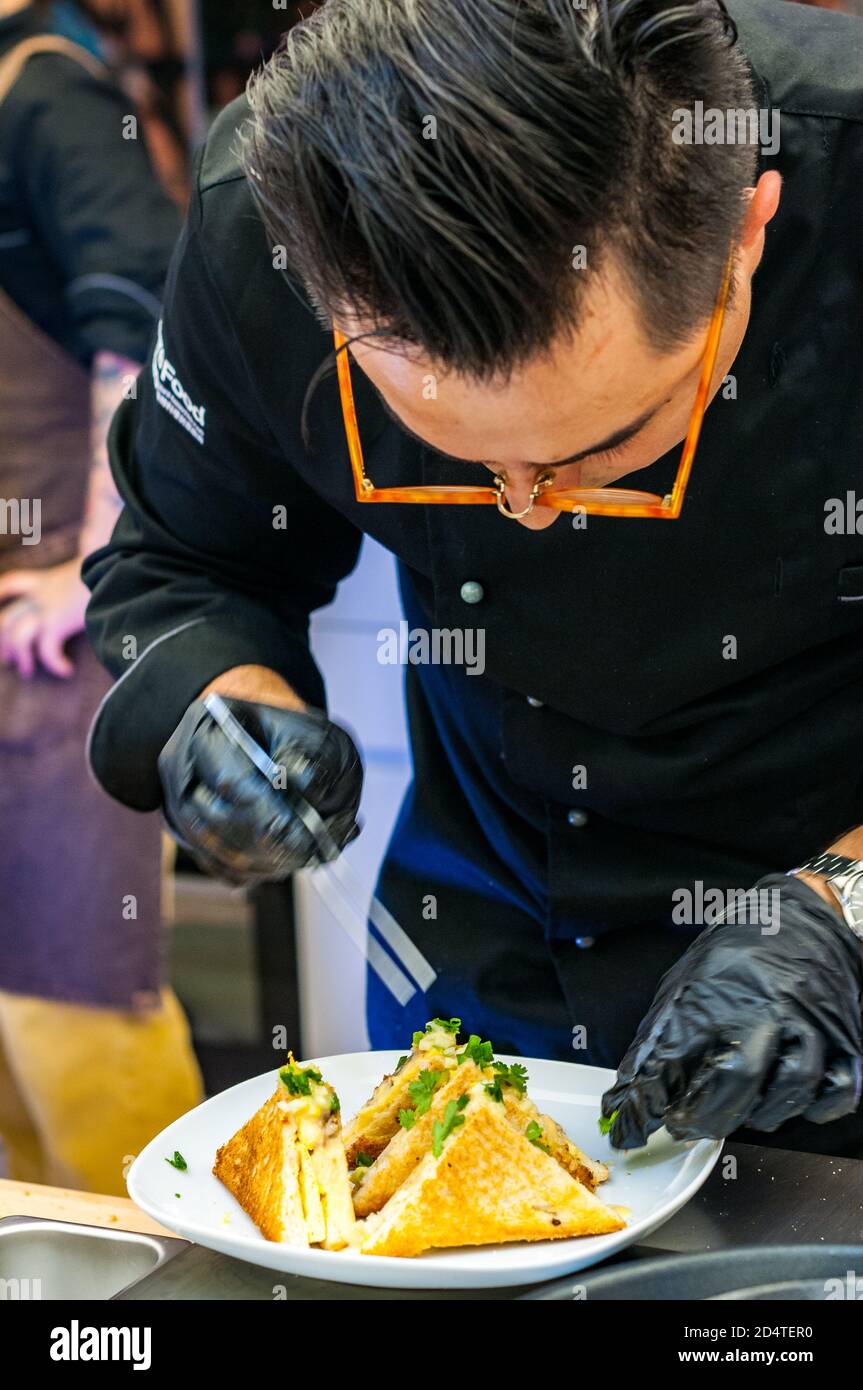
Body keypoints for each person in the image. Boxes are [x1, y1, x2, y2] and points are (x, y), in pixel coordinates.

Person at [85, 0, 863, 1157]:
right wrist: (220, 706)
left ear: (745, 229)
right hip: (496, 954)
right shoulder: (277, 223)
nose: (526, 510)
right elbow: (187, 559)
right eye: (460, 454)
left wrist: (840, 913)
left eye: (600, 452)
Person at [0, 0, 201, 1194]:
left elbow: (152, 305)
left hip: (48, 669)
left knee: (77, 1023)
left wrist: (95, 562)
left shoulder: (42, 92)